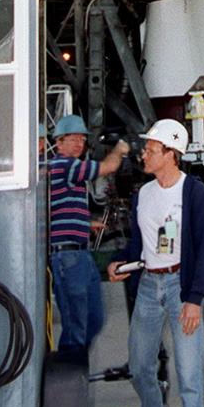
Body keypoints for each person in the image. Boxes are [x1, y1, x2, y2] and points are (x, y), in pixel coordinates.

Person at [108, 118, 204, 407]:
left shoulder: (194, 193)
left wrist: (194, 300)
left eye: (151, 150)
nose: (144, 155)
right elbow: (139, 243)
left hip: (180, 287)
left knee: (189, 376)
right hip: (147, 286)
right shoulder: (143, 194)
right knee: (139, 366)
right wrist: (122, 263)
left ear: (171, 154)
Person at [49, 113, 129, 356]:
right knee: (77, 325)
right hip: (69, 257)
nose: (79, 144)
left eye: (82, 140)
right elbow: (108, 167)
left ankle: (75, 366)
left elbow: (59, 209)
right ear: (58, 142)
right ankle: (70, 372)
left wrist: (85, 223)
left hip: (79, 254)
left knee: (93, 319)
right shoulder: (65, 165)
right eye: (72, 139)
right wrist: (120, 149)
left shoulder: (65, 169)